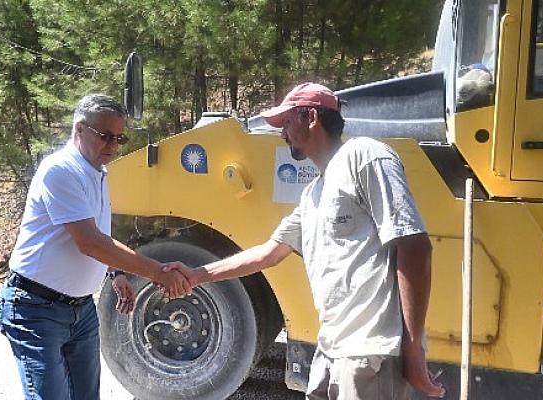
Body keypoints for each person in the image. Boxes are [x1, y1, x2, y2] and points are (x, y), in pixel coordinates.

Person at [168, 83, 445, 399]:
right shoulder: (314, 192)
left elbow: (413, 245)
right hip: (331, 347)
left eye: (287, 122)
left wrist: (412, 347)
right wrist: (197, 275)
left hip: (370, 349)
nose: (282, 134)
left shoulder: (366, 156)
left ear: (311, 117)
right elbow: (269, 253)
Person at [0, 94, 191, 400]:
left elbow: (99, 233)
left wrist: (116, 273)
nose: (113, 146)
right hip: (36, 309)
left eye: (119, 138)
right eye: (105, 136)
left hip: (81, 309)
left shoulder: (98, 172)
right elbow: (89, 242)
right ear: (79, 128)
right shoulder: (61, 170)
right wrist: (158, 273)